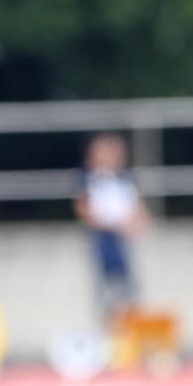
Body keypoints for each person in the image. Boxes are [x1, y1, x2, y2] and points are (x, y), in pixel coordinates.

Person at [74, 132, 148, 324]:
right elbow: (84, 209)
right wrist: (111, 224)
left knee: (127, 286)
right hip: (103, 238)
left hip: (123, 238)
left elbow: (137, 206)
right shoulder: (89, 179)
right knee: (106, 288)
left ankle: (129, 323)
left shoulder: (125, 178)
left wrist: (136, 223)